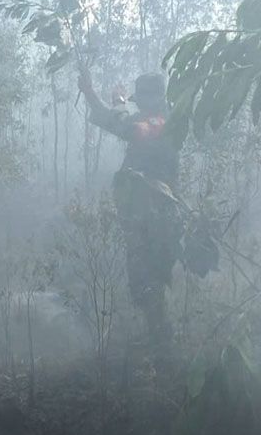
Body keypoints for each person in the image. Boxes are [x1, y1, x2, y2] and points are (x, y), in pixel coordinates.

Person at [78, 69, 183, 345]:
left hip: (159, 214)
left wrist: (119, 104)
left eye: (142, 102)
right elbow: (111, 121)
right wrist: (90, 93)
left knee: (153, 278)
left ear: (155, 100)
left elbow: (128, 128)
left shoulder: (165, 121)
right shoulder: (145, 117)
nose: (139, 107)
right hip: (139, 214)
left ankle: (163, 346)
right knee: (140, 279)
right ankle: (155, 339)